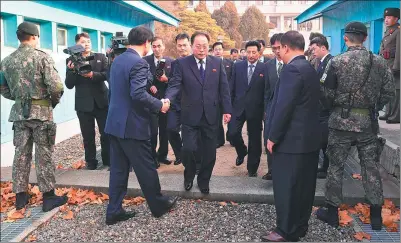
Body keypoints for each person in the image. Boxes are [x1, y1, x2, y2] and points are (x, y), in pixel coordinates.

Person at [315, 22, 395, 231]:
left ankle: (332, 212)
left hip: (340, 123)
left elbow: (325, 93)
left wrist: (336, 107)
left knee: (335, 167)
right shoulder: (378, 62)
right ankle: (376, 215)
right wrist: (373, 107)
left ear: (346, 38)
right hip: (368, 124)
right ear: (366, 38)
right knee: (370, 168)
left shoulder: (336, 62)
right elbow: (389, 92)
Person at [105, 26, 177, 225]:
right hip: (132, 125)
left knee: (119, 170)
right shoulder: (139, 63)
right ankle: (158, 205)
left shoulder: (117, 60)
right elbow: (137, 94)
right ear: (146, 43)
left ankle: (114, 211)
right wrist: (160, 105)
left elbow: (113, 93)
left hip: (115, 123)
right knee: (146, 167)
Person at [0, 22, 67, 212]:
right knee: (44, 155)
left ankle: (21, 198)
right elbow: (56, 87)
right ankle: (48, 197)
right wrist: (50, 102)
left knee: (21, 155)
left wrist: (20, 99)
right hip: (42, 114)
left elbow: (2, 88)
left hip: (19, 114)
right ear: (35, 37)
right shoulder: (42, 57)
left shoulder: (6, 61)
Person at [262, 31, 321, 242]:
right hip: (309, 141)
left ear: (286, 47)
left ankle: (285, 230)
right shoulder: (310, 68)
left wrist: (272, 137)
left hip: (291, 142)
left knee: (286, 187)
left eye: (280, 49)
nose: (279, 53)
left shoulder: (292, 69)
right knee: (304, 188)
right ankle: (299, 226)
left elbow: (283, 107)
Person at [165, 31, 232, 194]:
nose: (201, 49)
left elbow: (224, 88)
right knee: (188, 148)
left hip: (211, 115)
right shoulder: (182, 64)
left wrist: (227, 110)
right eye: (198, 46)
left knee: (210, 153)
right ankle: (188, 176)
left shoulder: (216, 63)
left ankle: (203, 180)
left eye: (204, 46)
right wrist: (167, 99)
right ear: (192, 46)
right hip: (190, 115)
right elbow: (174, 84)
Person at [65, 32, 110, 169]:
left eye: (89, 41)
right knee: (88, 136)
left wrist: (92, 75)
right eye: (83, 42)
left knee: (106, 133)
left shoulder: (100, 57)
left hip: (101, 101)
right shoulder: (71, 60)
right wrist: (71, 71)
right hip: (83, 104)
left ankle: (108, 159)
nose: (87, 44)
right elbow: (69, 84)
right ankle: (91, 162)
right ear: (76, 45)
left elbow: (107, 75)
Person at [228, 41, 266, 177]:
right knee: (232, 133)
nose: (250, 55)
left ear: (259, 53)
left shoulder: (264, 68)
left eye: (254, 52)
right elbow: (231, 87)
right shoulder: (237, 66)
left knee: (255, 140)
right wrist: (228, 107)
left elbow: (266, 91)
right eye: (248, 52)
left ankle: (252, 168)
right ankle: (242, 151)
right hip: (238, 107)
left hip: (256, 109)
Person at [166, 33, 202, 170]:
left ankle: (197, 164)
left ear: (190, 45)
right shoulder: (174, 64)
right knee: (170, 129)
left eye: (184, 45)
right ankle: (180, 155)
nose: (182, 48)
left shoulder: (198, 62)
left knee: (195, 137)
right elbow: (174, 83)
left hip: (193, 105)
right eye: (179, 45)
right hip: (176, 104)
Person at [143, 37, 174, 167]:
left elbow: (175, 81)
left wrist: (166, 79)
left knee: (165, 130)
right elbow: (140, 79)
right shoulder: (144, 61)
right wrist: (149, 85)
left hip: (166, 100)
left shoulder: (171, 62)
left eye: (159, 46)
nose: (156, 48)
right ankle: (152, 157)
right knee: (153, 132)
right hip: (151, 101)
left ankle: (163, 155)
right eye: (154, 46)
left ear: (163, 46)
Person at [309, 36, 333, 179]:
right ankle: (324, 167)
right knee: (323, 140)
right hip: (321, 108)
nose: (312, 52)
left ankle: (326, 167)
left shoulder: (330, 62)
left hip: (326, 108)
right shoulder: (322, 62)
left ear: (323, 48)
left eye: (314, 49)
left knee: (326, 140)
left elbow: (327, 85)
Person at [262, 33, 284, 181]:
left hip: (287, 108)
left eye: (279, 47)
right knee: (268, 138)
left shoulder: (292, 64)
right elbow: (266, 90)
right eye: (274, 48)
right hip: (271, 108)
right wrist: (265, 110)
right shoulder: (267, 66)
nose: (277, 51)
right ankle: (271, 170)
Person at [379, 8, 400, 124]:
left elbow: (399, 51)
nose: (386, 20)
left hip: (394, 66)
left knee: (396, 91)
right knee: (388, 90)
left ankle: (396, 116)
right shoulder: (389, 31)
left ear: (396, 18)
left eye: (389, 17)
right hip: (386, 65)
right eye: (385, 18)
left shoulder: (398, 31)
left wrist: (397, 67)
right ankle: (388, 113)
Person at [212, 42, 233, 148]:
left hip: (227, 94)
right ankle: (219, 140)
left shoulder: (229, 63)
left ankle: (231, 137)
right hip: (215, 95)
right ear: (213, 51)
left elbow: (232, 79)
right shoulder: (210, 63)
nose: (218, 51)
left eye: (220, 49)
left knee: (229, 116)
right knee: (216, 119)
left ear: (223, 51)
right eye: (216, 49)